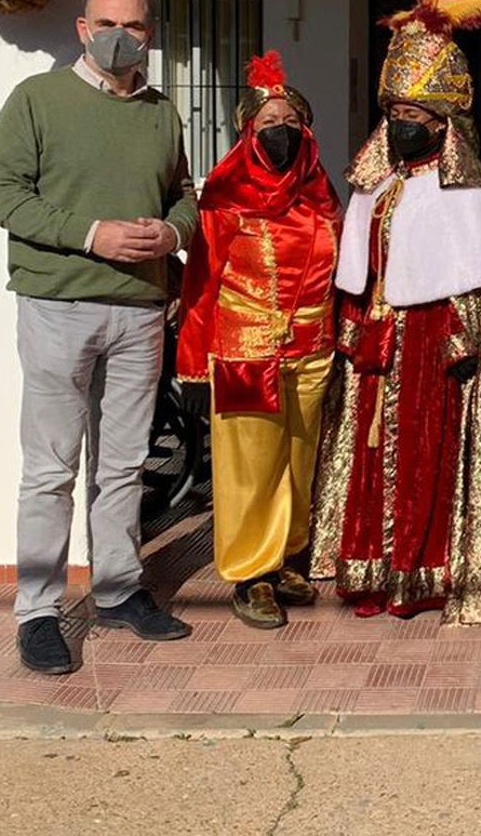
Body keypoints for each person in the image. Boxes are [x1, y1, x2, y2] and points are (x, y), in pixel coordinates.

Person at [308, 0, 481, 625]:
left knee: (423, 462)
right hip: (374, 346)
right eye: (394, 112)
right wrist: (355, 321)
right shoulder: (373, 184)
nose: (402, 124)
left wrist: (460, 335)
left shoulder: (469, 194)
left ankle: (421, 576)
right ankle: (369, 569)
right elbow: (357, 271)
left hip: (432, 348)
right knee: (367, 456)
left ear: (441, 121)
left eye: (414, 112)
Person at [0, 0, 198, 673]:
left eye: (133, 25)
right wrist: (90, 234)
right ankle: (40, 610)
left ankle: (116, 589)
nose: (119, 35)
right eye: (106, 23)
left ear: (150, 35)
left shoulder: (162, 113)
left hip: (140, 309)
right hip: (58, 304)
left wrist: (170, 232)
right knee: (50, 468)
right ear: (82, 29)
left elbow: (184, 196)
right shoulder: (38, 102)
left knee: (123, 463)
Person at [174, 52, 342, 630]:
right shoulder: (223, 202)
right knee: (250, 468)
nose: (281, 132)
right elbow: (199, 286)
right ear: (248, 133)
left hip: (312, 351)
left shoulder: (324, 198)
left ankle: (286, 559)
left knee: (298, 460)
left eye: (291, 123)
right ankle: (251, 575)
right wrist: (192, 368)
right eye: (268, 124)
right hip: (245, 351)